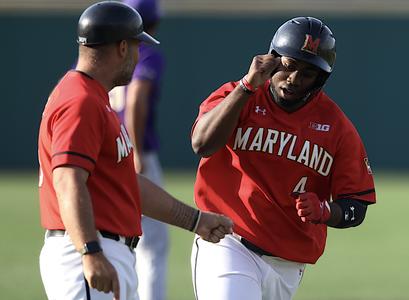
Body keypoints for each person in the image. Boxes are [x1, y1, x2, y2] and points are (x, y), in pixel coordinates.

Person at [37, 2, 233, 300]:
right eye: (137, 45)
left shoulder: (93, 98)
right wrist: (90, 251)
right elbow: (67, 181)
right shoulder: (80, 101)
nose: (140, 54)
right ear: (122, 48)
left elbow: (128, 184)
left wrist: (195, 220)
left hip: (106, 250)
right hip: (87, 252)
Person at [190, 17, 376, 300]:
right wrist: (246, 86)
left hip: (288, 264)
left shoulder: (337, 128)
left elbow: (356, 206)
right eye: (288, 66)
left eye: (307, 73)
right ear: (272, 60)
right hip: (227, 242)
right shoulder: (239, 95)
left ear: (320, 79)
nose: (293, 79)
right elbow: (202, 144)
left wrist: (327, 212)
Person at [108, 1, 169, 299]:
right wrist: (135, 152)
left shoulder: (105, 56)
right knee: (153, 244)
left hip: (104, 155)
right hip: (133, 153)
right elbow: (136, 99)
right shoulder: (145, 54)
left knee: (112, 237)